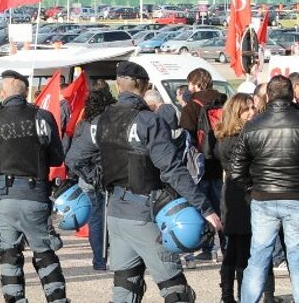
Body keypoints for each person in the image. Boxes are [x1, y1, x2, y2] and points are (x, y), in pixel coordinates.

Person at [66, 61, 220, 303]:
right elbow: (171, 168)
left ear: (119, 86)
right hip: (145, 212)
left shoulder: (100, 121)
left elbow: (74, 159)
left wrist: (101, 180)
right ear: (143, 84)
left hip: (115, 213)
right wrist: (205, 207)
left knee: (126, 288)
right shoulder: (149, 121)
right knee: (176, 290)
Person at [0, 70, 68, 303]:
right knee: (44, 252)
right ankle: (57, 299)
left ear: (2, 94)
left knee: (9, 255)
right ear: (26, 94)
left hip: (3, 198)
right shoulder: (43, 118)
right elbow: (56, 158)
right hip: (36, 195)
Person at [227, 75, 299, 303]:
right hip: (295, 196)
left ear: (268, 96)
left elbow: (236, 169)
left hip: (262, 198)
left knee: (258, 257)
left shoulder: (252, 125)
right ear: (292, 94)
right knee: (297, 258)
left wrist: (251, 189)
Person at [214, 93, 278, 303]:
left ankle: (229, 295)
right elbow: (247, 170)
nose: (252, 112)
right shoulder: (238, 140)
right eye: (246, 109)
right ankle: (242, 296)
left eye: (252, 107)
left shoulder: (226, 137)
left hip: (233, 194)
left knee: (234, 247)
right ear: (236, 113)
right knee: (243, 249)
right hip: (242, 196)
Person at [179, 67, 226, 263]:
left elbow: (185, 136)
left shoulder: (191, 106)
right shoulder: (224, 100)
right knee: (222, 207)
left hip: (199, 163)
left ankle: (205, 247)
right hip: (221, 162)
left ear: (195, 83)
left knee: (201, 207)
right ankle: (226, 246)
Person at [71, 81, 117, 271]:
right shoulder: (115, 123)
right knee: (114, 218)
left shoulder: (85, 124)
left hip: (88, 176)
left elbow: (73, 157)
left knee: (96, 219)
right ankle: (116, 258)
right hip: (112, 176)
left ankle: (99, 259)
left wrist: (89, 175)